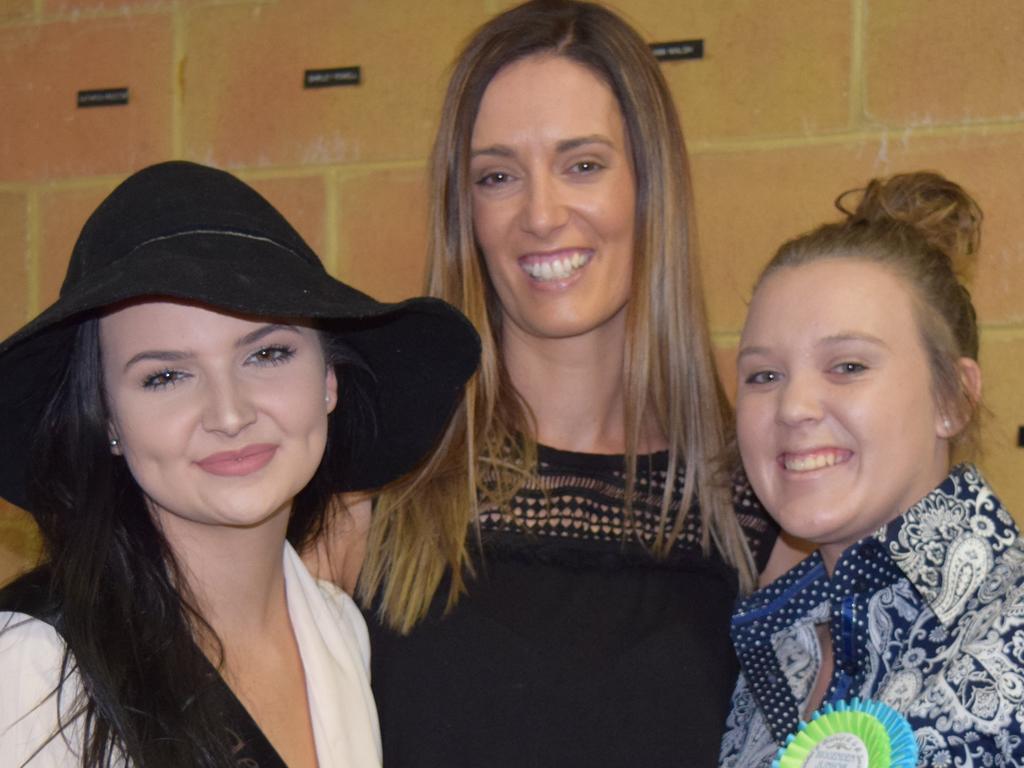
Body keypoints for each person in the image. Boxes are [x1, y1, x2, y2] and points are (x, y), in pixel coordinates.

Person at [326, 2, 777, 765]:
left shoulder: (758, 510)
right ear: (463, 212)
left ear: (649, 187)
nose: (540, 214)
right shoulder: (375, 493)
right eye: (498, 176)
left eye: (583, 165)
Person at [0, 161, 480, 767]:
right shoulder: (37, 669)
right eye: (166, 376)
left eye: (268, 354)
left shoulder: (336, 629)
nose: (228, 414)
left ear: (328, 381)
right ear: (108, 420)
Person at [719, 171, 1024, 767]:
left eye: (849, 366)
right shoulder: (774, 656)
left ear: (952, 399)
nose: (793, 407)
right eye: (764, 376)